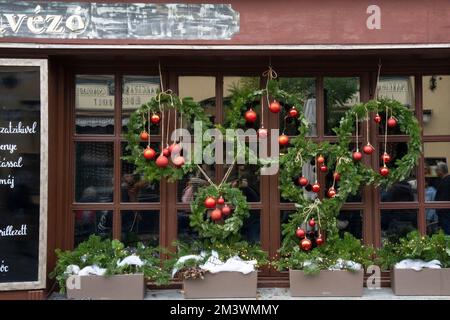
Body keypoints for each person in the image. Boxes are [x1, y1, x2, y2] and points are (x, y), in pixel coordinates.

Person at [435, 162, 450, 234]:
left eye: (436, 170)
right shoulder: (446, 180)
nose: (435, 172)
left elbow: (443, 198)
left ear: (441, 171)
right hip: (445, 211)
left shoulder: (445, 182)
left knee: (447, 232)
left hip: (445, 212)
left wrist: (439, 210)